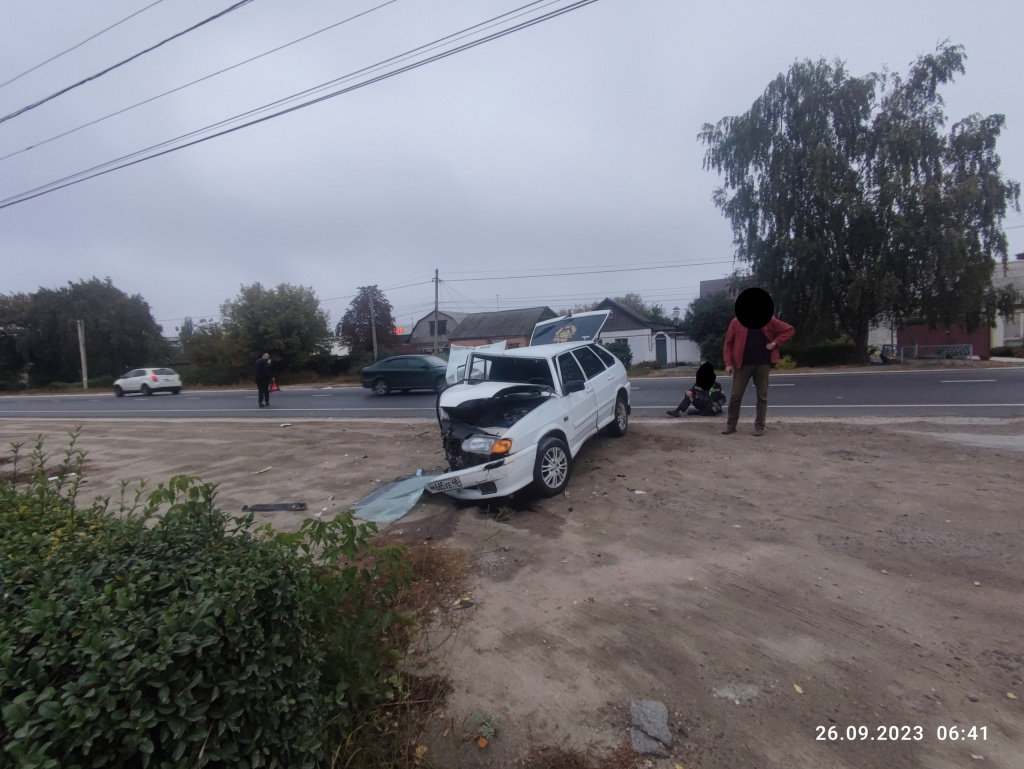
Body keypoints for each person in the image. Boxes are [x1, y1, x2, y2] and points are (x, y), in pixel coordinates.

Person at [722, 288, 795, 436]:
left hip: (762, 363)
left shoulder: (769, 320)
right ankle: (731, 425)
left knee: (762, 396)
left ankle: (759, 426)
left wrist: (774, 343)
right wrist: (728, 363)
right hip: (741, 364)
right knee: (735, 396)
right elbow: (729, 343)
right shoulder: (736, 322)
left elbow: (788, 330)